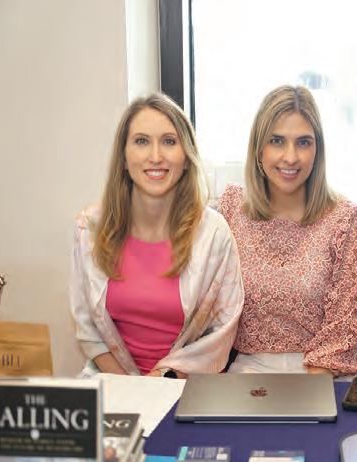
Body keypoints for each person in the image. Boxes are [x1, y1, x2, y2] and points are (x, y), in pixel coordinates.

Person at [70, 93, 243, 377]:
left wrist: (160, 382)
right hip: (112, 382)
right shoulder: (89, 228)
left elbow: (221, 334)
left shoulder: (214, 234)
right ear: (124, 157)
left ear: (186, 157)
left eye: (169, 141)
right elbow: (87, 328)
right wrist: (130, 388)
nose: (155, 156)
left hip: (184, 385)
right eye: (141, 141)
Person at [217, 85, 357, 376]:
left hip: (327, 375)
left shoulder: (347, 220)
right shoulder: (231, 209)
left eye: (303, 142)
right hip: (249, 372)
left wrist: (308, 397)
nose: (290, 157)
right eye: (277, 141)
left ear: (317, 150)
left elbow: (342, 329)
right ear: (258, 149)